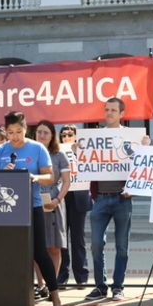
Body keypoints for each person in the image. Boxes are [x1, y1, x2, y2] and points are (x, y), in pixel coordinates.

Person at [0, 111, 64, 306]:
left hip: (33, 206)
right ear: (6, 131)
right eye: (11, 132)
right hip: (7, 210)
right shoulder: (0, 150)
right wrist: (2, 173)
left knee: (40, 253)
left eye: (19, 132)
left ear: (26, 129)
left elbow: (50, 177)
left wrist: (34, 177)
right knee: (9, 254)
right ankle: (10, 298)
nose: (15, 136)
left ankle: (55, 299)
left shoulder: (37, 148)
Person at [85, 97, 151, 301]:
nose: (109, 113)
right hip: (101, 200)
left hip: (122, 199)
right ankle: (99, 286)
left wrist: (146, 148)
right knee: (96, 244)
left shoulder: (131, 137)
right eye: (106, 109)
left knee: (122, 246)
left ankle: (118, 287)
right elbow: (85, 165)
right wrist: (78, 152)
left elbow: (143, 168)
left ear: (122, 114)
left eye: (113, 110)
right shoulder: (94, 137)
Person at [32, 120, 69, 300]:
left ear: (52, 135)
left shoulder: (59, 155)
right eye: (39, 132)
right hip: (34, 202)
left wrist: (57, 199)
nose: (42, 135)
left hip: (54, 202)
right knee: (38, 247)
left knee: (54, 247)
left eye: (46, 132)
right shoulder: (29, 154)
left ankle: (52, 284)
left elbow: (67, 181)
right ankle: (41, 285)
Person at [57, 124, 93, 289]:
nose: (66, 137)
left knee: (78, 238)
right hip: (62, 196)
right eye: (63, 135)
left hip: (79, 196)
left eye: (70, 134)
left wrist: (77, 152)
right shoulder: (57, 151)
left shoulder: (84, 150)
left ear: (77, 136)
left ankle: (81, 276)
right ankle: (62, 275)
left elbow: (92, 168)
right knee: (61, 239)